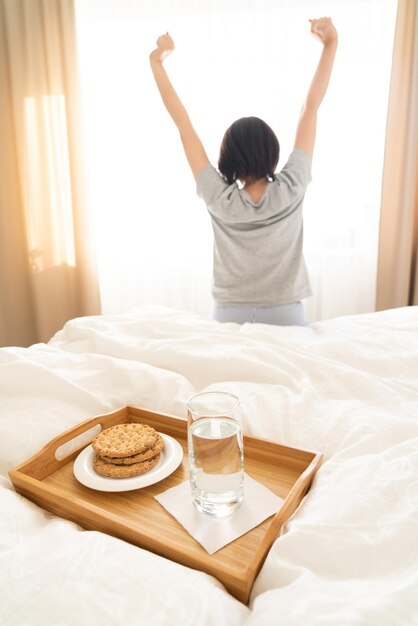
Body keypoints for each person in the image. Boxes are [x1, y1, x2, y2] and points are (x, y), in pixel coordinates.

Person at [149, 17, 338, 326]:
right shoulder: (292, 185)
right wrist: (331, 44)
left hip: (228, 314)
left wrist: (157, 63)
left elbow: (183, 125)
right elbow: (310, 108)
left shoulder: (217, 196)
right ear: (272, 152)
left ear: (228, 157)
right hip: (286, 313)